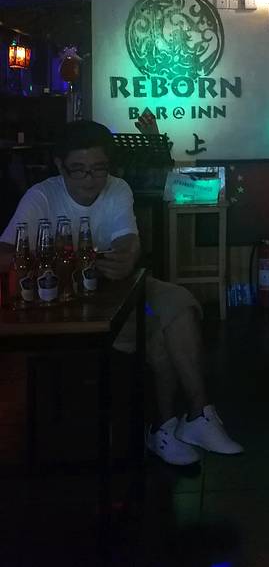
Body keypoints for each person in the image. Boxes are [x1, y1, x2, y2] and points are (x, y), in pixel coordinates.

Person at [0, 120, 243, 466]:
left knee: (178, 302)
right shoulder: (42, 196)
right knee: (160, 329)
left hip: (120, 292)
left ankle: (197, 415)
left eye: (98, 168)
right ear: (60, 166)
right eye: (79, 170)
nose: (90, 179)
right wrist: (66, 258)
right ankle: (169, 426)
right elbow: (5, 254)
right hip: (69, 302)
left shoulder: (117, 188)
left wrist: (128, 256)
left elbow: (128, 240)